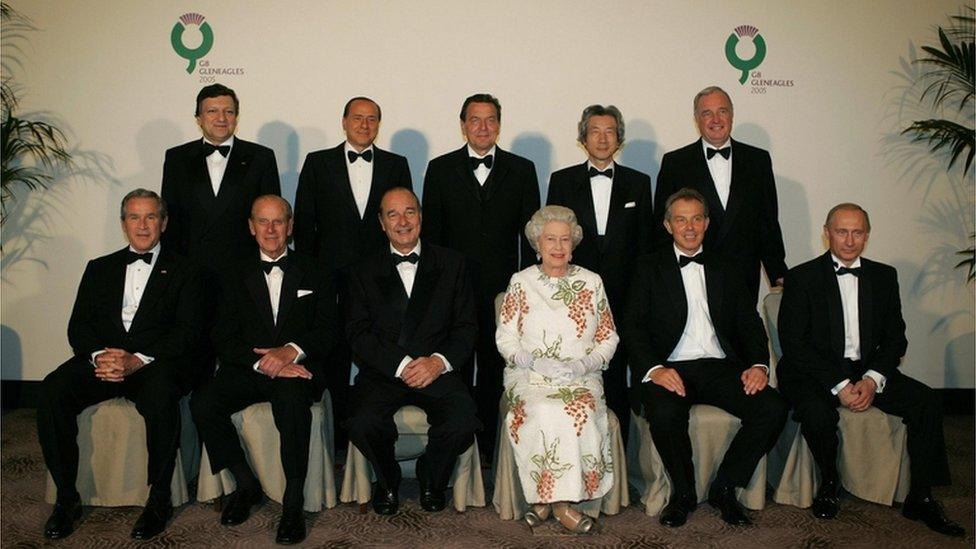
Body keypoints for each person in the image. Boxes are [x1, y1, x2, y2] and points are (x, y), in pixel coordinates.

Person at [776, 203, 964, 537]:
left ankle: (921, 495)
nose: (849, 240)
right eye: (842, 231)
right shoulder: (802, 277)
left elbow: (896, 339)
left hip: (866, 369)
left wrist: (872, 379)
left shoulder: (884, 276)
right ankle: (829, 483)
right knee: (817, 413)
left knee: (925, 401)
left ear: (867, 236)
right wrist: (840, 384)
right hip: (814, 372)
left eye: (857, 232)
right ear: (827, 232)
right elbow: (795, 345)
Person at [36, 189, 203, 540]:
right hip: (106, 359)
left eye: (151, 217)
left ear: (164, 222)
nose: (142, 225)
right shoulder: (99, 268)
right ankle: (67, 497)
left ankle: (159, 497)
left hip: (153, 362)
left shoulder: (187, 270)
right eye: (134, 217)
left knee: (161, 397)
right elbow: (78, 326)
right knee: (53, 389)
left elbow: (187, 333)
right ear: (123, 223)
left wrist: (136, 359)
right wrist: (101, 356)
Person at [623, 188, 787, 527]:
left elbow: (748, 322)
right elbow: (633, 326)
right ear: (668, 225)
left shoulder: (727, 266)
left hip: (720, 366)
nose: (689, 227)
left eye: (697, 218)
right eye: (680, 220)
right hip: (671, 367)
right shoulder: (648, 266)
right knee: (665, 412)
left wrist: (758, 364)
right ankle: (682, 493)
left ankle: (725, 486)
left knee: (772, 407)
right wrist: (654, 370)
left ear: (707, 223)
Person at [190, 195, 338, 545]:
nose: (271, 229)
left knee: (292, 404)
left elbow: (328, 331)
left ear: (290, 226)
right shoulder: (230, 273)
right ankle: (246, 483)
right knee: (204, 404)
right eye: (263, 221)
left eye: (278, 221)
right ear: (251, 227)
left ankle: (292, 502)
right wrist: (263, 363)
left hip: (297, 369)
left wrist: (291, 352)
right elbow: (221, 335)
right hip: (246, 368)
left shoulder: (316, 270)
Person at [344, 187, 480, 516]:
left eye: (410, 212)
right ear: (381, 222)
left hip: (436, 369)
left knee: (464, 420)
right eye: (392, 214)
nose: (402, 221)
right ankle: (387, 478)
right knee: (360, 421)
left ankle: (430, 477)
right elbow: (357, 333)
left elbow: (466, 327)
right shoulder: (362, 269)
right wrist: (401, 364)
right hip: (385, 371)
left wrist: (437, 362)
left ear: (421, 216)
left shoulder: (452, 263)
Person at [422, 93, 540, 461]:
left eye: (490, 120)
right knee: (452, 367)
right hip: (452, 291)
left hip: (502, 292)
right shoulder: (440, 169)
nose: (483, 127)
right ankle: (458, 449)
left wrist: (525, 292)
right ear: (463, 125)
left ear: (499, 125)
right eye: (475, 120)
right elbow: (433, 239)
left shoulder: (523, 169)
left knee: (493, 370)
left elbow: (531, 236)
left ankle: (488, 452)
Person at [293, 96, 412, 459]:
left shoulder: (396, 164)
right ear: (343, 121)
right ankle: (337, 442)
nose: (364, 125)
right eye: (357, 118)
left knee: (375, 355)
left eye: (372, 119)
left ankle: (370, 433)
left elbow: (403, 224)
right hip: (329, 278)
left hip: (380, 280)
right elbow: (306, 224)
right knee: (332, 356)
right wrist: (308, 281)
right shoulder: (317, 163)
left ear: (379, 124)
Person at [495, 205, 619, 534]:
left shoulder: (592, 282)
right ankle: (555, 502)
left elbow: (608, 337)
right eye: (550, 239)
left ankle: (552, 504)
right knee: (541, 409)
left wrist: (584, 363)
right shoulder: (521, 282)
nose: (558, 247)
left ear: (574, 243)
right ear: (537, 242)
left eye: (565, 239)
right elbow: (505, 338)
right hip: (531, 375)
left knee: (573, 408)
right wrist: (533, 361)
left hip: (580, 376)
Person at [161, 83, 281, 384]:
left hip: (243, 274)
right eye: (212, 111)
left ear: (237, 117)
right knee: (194, 356)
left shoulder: (261, 157)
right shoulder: (176, 158)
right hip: (193, 273)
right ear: (198, 117)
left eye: (228, 111)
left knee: (241, 354)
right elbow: (170, 220)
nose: (221, 117)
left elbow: (271, 220)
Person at [547, 104, 652, 444]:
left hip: (626, 296)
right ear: (583, 137)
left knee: (619, 374)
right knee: (577, 370)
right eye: (595, 131)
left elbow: (646, 246)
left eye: (610, 131)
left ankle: (618, 457)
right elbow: (552, 242)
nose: (603, 138)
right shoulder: (561, 181)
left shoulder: (639, 183)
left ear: (619, 138)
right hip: (574, 296)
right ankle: (575, 449)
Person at [653, 86, 786, 306]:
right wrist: (663, 273)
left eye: (722, 111)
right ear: (696, 119)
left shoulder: (758, 160)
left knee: (741, 336)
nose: (716, 119)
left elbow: (768, 221)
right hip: (693, 272)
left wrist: (777, 270)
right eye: (707, 113)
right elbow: (662, 223)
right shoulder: (675, 163)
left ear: (732, 115)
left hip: (743, 273)